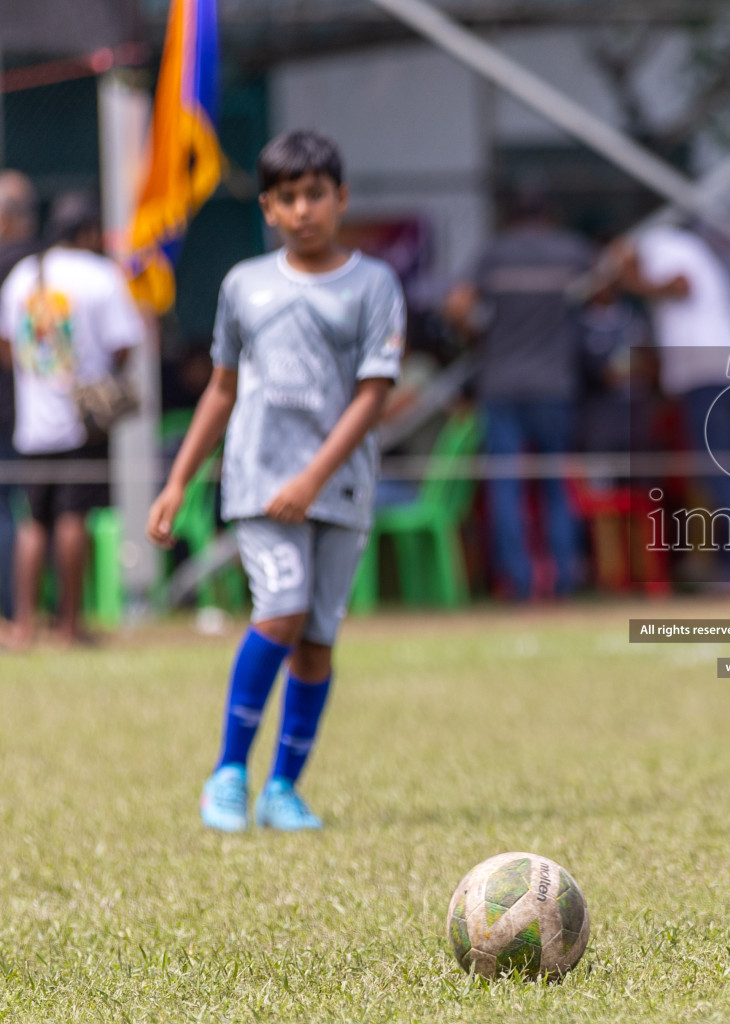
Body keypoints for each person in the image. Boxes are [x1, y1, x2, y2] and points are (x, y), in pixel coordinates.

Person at [146, 131, 403, 832]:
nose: (303, 210)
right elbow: (222, 390)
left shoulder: (374, 284)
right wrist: (176, 482)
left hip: (339, 486)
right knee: (280, 612)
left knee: (317, 640)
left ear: (340, 198)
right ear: (267, 207)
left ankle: (283, 787)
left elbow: (373, 394)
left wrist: (315, 479)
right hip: (260, 480)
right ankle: (228, 771)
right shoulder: (245, 286)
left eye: (315, 194)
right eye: (287, 198)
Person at [0, 192, 143, 648]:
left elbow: (7, 347)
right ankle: (68, 624)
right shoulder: (100, 275)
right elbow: (124, 343)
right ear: (88, 233)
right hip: (82, 420)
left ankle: (23, 625)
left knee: (32, 520)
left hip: (32, 421)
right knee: (72, 516)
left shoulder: (23, 276)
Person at [443, 192, 593, 599]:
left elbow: (456, 305)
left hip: (501, 383)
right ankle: (564, 579)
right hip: (554, 384)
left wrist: (480, 336)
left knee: (505, 486)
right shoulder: (571, 250)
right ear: (549, 213)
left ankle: (518, 582)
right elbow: (606, 290)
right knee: (556, 485)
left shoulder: (494, 253)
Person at [614, 223, 730, 581]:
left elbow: (681, 285)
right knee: (728, 473)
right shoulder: (691, 246)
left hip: (709, 373)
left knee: (717, 473)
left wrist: (629, 277)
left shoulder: (657, 241)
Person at [0, 171, 42, 622]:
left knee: (7, 512)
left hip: (8, 407)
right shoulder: (47, 264)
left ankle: (15, 615)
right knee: (43, 510)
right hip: (48, 411)